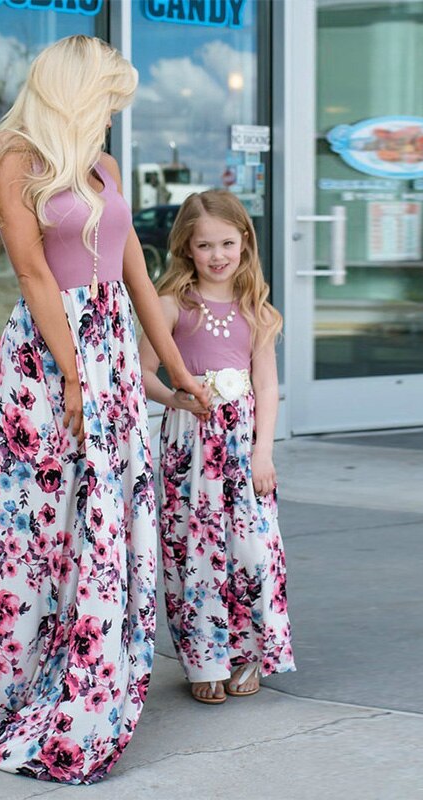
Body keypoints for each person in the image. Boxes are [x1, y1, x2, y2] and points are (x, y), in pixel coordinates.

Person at [0, 35, 208, 784]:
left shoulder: (103, 165)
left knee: (104, 513)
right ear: (73, 90)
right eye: (106, 97)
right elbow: (32, 270)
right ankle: (10, 683)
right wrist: (71, 375)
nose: (111, 111)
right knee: (34, 517)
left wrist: (180, 369)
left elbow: (134, 274)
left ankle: (88, 667)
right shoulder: (15, 156)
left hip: (109, 351)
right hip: (48, 354)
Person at [139, 190, 295, 705]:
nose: (218, 255)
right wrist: (177, 397)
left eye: (228, 242)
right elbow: (142, 373)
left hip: (243, 444)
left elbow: (267, 385)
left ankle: (248, 652)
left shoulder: (257, 310)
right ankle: (204, 658)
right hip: (192, 446)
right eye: (205, 245)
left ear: (245, 243)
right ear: (187, 248)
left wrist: (263, 451)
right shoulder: (172, 305)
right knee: (196, 551)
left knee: (252, 551)